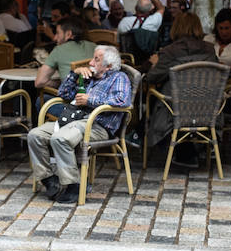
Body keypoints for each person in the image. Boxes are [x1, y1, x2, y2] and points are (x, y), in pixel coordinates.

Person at [27, 44, 132, 203]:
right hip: (74, 119)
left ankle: (73, 186)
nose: (91, 62)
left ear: (108, 66)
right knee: (35, 135)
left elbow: (122, 101)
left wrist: (90, 100)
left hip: (97, 125)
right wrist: (74, 74)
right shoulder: (89, 76)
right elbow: (63, 94)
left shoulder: (118, 78)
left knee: (60, 138)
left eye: (96, 59)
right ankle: (49, 180)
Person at [144, 12, 217, 164]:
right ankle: (190, 150)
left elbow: (152, 78)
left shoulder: (170, 51)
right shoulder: (210, 49)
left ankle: (143, 137)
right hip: (206, 107)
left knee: (154, 95)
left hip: (175, 108)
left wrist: (155, 63)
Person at [35, 17, 96, 89]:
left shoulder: (59, 50)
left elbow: (39, 82)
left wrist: (60, 84)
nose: (55, 38)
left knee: (40, 98)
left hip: (69, 97)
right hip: (91, 94)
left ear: (68, 34)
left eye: (58, 33)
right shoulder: (94, 46)